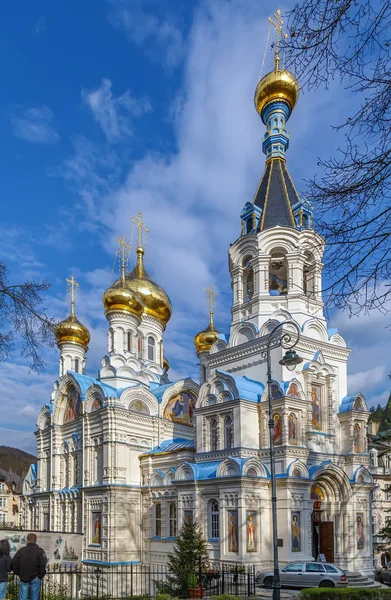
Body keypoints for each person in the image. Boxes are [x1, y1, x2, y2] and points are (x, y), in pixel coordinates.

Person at [11, 533, 47, 600]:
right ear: (35, 540)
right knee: (34, 598)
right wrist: (40, 575)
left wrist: (18, 573)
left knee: (23, 598)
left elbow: (14, 562)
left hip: (23, 577)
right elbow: (43, 563)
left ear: (27, 540)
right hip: (36, 577)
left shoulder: (21, 550)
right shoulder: (40, 551)